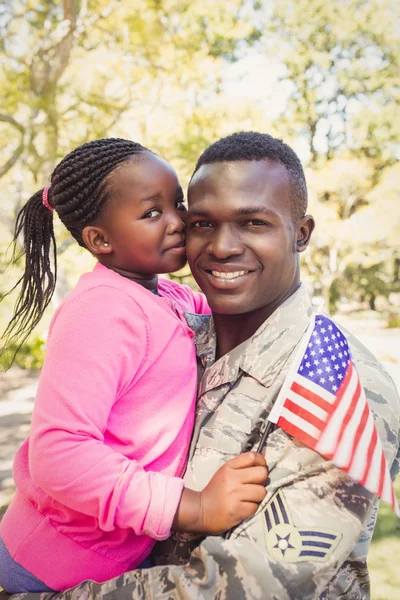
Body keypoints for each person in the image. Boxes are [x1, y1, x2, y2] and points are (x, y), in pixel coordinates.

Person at [5, 131, 400, 600]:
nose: (222, 247)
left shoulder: (332, 385)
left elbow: (242, 590)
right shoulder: (171, 323)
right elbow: (64, 451)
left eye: (253, 223)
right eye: (203, 223)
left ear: (301, 233)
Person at [0, 138, 269, 593]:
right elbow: (60, 452)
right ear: (100, 240)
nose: (177, 222)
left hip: (108, 559)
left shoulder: (166, 295)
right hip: (48, 566)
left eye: (177, 204)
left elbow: (230, 310)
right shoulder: (103, 310)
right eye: (152, 213)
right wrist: (194, 507)